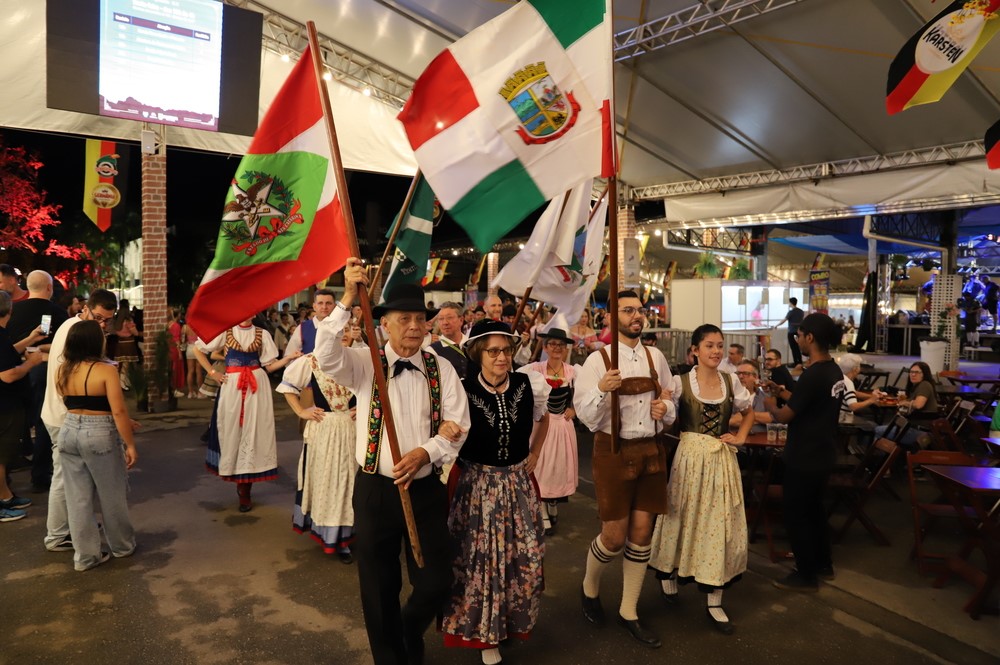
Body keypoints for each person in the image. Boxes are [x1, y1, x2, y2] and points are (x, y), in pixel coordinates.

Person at [314, 259, 470, 665]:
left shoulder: (440, 367)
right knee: (378, 586)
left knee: (436, 581)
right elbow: (326, 356)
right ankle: (391, 657)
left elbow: (459, 423)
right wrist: (347, 298)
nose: (415, 326)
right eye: (405, 318)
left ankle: (408, 627)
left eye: (421, 318)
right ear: (385, 324)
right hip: (375, 491)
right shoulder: (364, 362)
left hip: (424, 490)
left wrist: (427, 451)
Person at [442, 320, 549, 665]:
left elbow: (544, 418)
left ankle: (509, 623)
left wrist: (534, 453)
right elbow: (448, 430)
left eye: (506, 350)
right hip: (477, 487)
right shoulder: (462, 389)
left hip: (517, 485)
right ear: (478, 353)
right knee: (482, 565)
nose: (502, 357)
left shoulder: (527, 383)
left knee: (524, 562)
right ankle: (486, 636)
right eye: (493, 351)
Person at [575, 291, 675, 649]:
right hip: (612, 451)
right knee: (614, 537)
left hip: (650, 450)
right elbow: (586, 418)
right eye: (628, 310)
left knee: (642, 533)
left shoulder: (655, 356)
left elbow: (669, 397)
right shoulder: (596, 361)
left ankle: (628, 610)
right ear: (610, 317)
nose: (637, 316)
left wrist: (665, 409)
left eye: (639, 311)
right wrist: (603, 389)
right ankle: (589, 588)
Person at [649, 324, 755, 635]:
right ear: (695, 349)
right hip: (690, 459)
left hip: (720, 461)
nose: (716, 351)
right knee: (681, 518)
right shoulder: (681, 381)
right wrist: (663, 406)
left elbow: (748, 411)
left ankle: (715, 597)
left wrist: (741, 437)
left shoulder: (731, 380)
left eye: (720, 346)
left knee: (718, 524)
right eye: (709, 345)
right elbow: (667, 411)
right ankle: (668, 572)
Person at [763, 313, 845, 591]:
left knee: (796, 514)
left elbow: (786, 416)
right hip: (823, 453)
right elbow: (807, 401)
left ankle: (805, 574)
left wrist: (770, 403)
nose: (797, 339)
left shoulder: (814, 374)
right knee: (815, 512)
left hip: (804, 456)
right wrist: (782, 390)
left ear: (810, 337)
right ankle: (824, 564)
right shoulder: (832, 371)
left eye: (799, 335)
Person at [55, 321, 138, 571]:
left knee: (77, 498)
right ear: (95, 342)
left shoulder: (63, 370)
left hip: (68, 431)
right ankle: (122, 546)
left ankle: (85, 557)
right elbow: (118, 410)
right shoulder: (106, 370)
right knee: (112, 493)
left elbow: (75, 402)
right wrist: (130, 445)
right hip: (99, 433)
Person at [41, 289, 119, 552]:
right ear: (86, 308)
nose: (101, 324)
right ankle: (58, 534)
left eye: (106, 320)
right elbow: (72, 376)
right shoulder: (76, 330)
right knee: (65, 479)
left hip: (66, 416)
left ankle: (72, 528)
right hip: (65, 417)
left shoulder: (75, 327)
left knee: (74, 480)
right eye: (98, 317)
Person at [193, 319, 299, 512]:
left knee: (254, 433)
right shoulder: (225, 331)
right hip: (232, 386)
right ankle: (239, 482)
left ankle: (246, 489)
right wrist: (213, 372)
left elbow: (269, 366)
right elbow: (197, 349)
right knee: (233, 432)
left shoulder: (262, 334)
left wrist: (288, 358)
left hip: (256, 386)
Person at [277, 328, 358, 563]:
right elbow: (287, 386)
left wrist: (364, 406)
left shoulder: (356, 358)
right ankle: (334, 535)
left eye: (345, 331)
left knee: (350, 481)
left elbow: (373, 388)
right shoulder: (311, 360)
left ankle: (347, 533)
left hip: (353, 429)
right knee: (330, 481)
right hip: (326, 429)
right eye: (336, 332)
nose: (342, 335)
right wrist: (301, 411)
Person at [7, 270, 67, 491]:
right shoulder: (58, 313)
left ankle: (6, 478)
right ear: (49, 288)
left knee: (11, 423)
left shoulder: (11, 311)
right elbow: (65, 346)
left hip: (11, 371)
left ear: (28, 286)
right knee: (44, 422)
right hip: (44, 371)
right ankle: (40, 474)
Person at [525, 327, 578, 534]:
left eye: (561, 345)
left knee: (558, 466)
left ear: (565, 349)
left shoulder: (572, 372)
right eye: (553, 344)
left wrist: (574, 409)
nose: (557, 348)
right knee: (541, 467)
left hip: (562, 426)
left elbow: (582, 396)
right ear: (545, 347)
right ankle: (542, 509)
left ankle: (553, 501)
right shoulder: (534, 369)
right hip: (541, 425)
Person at [0, 290, 48, 521]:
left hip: (8, 405)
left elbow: (8, 353)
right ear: (10, 310)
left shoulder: (1, 335)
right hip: (4, 407)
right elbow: (8, 374)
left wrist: (30, 339)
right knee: (1, 457)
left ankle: (5, 496)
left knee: (3, 457)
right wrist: (32, 363)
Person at [873, 362, 938, 451]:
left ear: (924, 374)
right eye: (911, 372)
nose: (913, 374)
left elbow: (918, 405)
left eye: (917, 372)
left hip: (921, 432)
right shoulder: (916, 387)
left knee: (878, 430)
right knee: (881, 429)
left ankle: (879, 459)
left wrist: (904, 403)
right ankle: (886, 458)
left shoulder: (925, 385)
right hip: (912, 428)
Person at [835, 354, 882, 444]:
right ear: (855, 369)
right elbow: (853, 406)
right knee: (872, 427)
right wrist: (872, 400)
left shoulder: (840, 377)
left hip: (837, 416)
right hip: (844, 419)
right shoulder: (848, 383)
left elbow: (852, 393)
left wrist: (871, 396)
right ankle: (862, 451)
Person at [285, 289, 336, 357]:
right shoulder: (302, 328)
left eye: (328, 303)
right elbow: (289, 356)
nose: (324, 307)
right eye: (320, 303)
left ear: (335, 306)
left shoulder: (340, 327)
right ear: (314, 306)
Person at [729, 360, 771, 434]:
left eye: (745, 373)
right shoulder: (728, 397)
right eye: (738, 373)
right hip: (734, 441)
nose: (740, 377)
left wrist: (747, 416)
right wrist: (759, 419)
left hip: (760, 442)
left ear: (755, 377)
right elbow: (731, 421)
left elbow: (772, 419)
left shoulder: (766, 397)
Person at [430, 302, 469, 379]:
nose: (445, 323)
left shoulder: (472, 345)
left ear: (461, 320)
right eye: (441, 319)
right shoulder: (432, 351)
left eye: (449, 318)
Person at [111, 304, 140, 387]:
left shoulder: (117, 320)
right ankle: (122, 382)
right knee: (126, 365)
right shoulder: (128, 320)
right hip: (129, 343)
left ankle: (125, 381)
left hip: (120, 343)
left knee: (121, 364)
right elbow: (136, 333)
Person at [774, 297, 805, 367]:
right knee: (798, 347)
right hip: (799, 333)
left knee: (794, 348)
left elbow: (784, 320)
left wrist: (776, 325)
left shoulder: (791, 312)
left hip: (792, 333)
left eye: (789, 302)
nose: (788, 304)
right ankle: (800, 362)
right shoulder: (801, 311)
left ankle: (796, 363)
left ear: (791, 303)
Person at [182, 318, 203, 398]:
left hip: (189, 348)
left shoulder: (185, 327)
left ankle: (190, 392)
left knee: (190, 371)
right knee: (199, 371)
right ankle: (200, 393)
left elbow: (182, 340)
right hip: (198, 348)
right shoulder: (199, 326)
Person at [167, 308, 186, 396]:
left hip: (168, 348)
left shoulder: (167, 325)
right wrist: (179, 352)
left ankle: (171, 388)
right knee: (176, 369)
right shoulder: (176, 325)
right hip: (174, 349)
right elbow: (177, 340)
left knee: (171, 368)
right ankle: (175, 388)